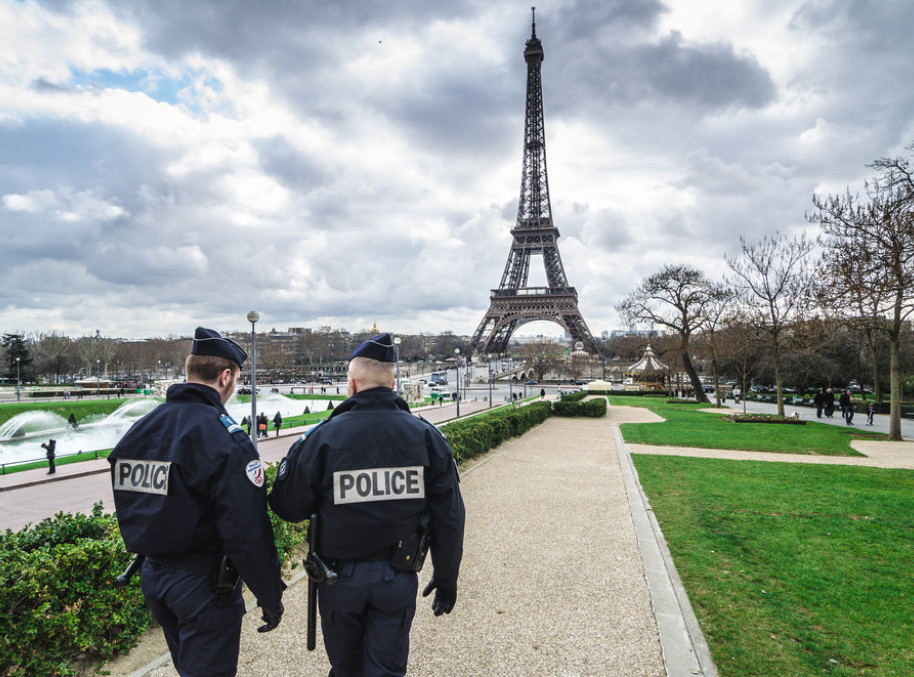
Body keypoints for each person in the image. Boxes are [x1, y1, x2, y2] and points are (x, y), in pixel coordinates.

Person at [269, 333, 465, 677]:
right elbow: (449, 516)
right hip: (396, 576)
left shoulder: (322, 438)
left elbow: (288, 508)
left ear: (352, 384)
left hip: (337, 578)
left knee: (345, 669)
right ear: (393, 382)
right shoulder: (426, 436)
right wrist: (446, 576)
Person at [108, 327, 285, 677]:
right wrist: (269, 594)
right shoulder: (224, 437)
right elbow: (246, 530)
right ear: (225, 376)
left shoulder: (143, 427)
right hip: (202, 584)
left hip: (154, 576)